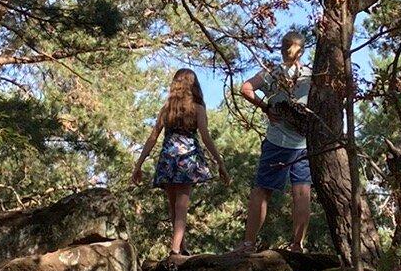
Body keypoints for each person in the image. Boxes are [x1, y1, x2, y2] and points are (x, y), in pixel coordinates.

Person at [133, 68, 225, 258]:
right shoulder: (197, 108)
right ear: (194, 85)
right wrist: (219, 162)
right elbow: (206, 136)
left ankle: (180, 247)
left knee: (173, 204)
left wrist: (139, 164)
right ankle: (176, 250)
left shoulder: (166, 109)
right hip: (187, 159)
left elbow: (152, 138)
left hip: (168, 158)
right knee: (181, 206)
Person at [239, 29, 312, 252]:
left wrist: (266, 108)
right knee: (302, 192)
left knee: (262, 191)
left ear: (282, 49)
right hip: (304, 143)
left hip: (276, 140)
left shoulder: (271, 73)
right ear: (302, 51)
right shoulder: (312, 75)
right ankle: (297, 245)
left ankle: (249, 244)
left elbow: (245, 88)